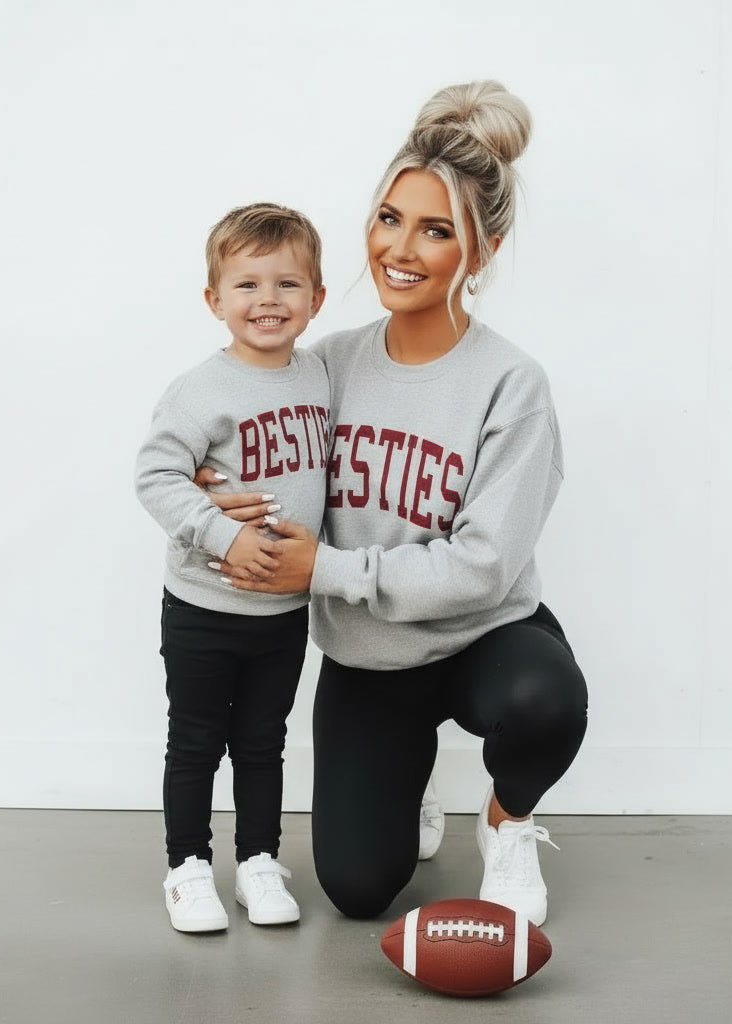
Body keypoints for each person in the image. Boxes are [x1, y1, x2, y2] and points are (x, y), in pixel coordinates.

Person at [200, 81, 588, 927]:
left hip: (483, 635)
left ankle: (508, 823)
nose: (400, 248)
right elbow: (246, 431)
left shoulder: (510, 384)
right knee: (357, 888)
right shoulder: (326, 363)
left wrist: (328, 567)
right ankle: (412, 786)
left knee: (545, 703)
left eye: (436, 229)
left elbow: (485, 565)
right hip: (373, 658)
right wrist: (210, 483)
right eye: (389, 218)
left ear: (478, 254)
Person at [134, 203, 329, 932]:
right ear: (215, 300)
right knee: (195, 740)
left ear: (314, 296)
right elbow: (157, 477)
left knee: (262, 741)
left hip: (281, 613)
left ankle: (257, 862)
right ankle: (187, 867)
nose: (268, 301)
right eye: (247, 285)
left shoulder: (319, 378)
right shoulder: (200, 391)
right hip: (202, 609)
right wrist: (220, 532)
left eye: (287, 284)